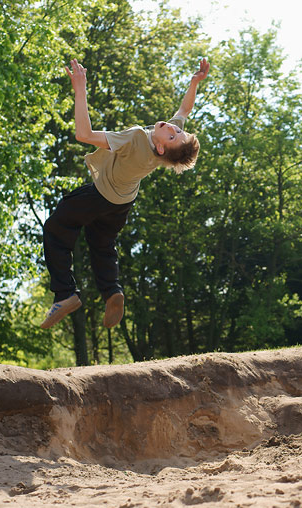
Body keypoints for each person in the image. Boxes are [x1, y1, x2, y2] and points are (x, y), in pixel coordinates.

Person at [40, 57, 209, 330]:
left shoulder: (136, 139)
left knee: (57, 227)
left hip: (100, 195)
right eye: (178, 129)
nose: (173, 125)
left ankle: (65, 294)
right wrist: (194, 83)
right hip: (122, 204)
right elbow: (184, 109)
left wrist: (80, 89)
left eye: (174, 134)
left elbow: (84, 134)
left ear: (163, 148)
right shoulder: (160, 152)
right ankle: (112, 291)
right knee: (102, 245)